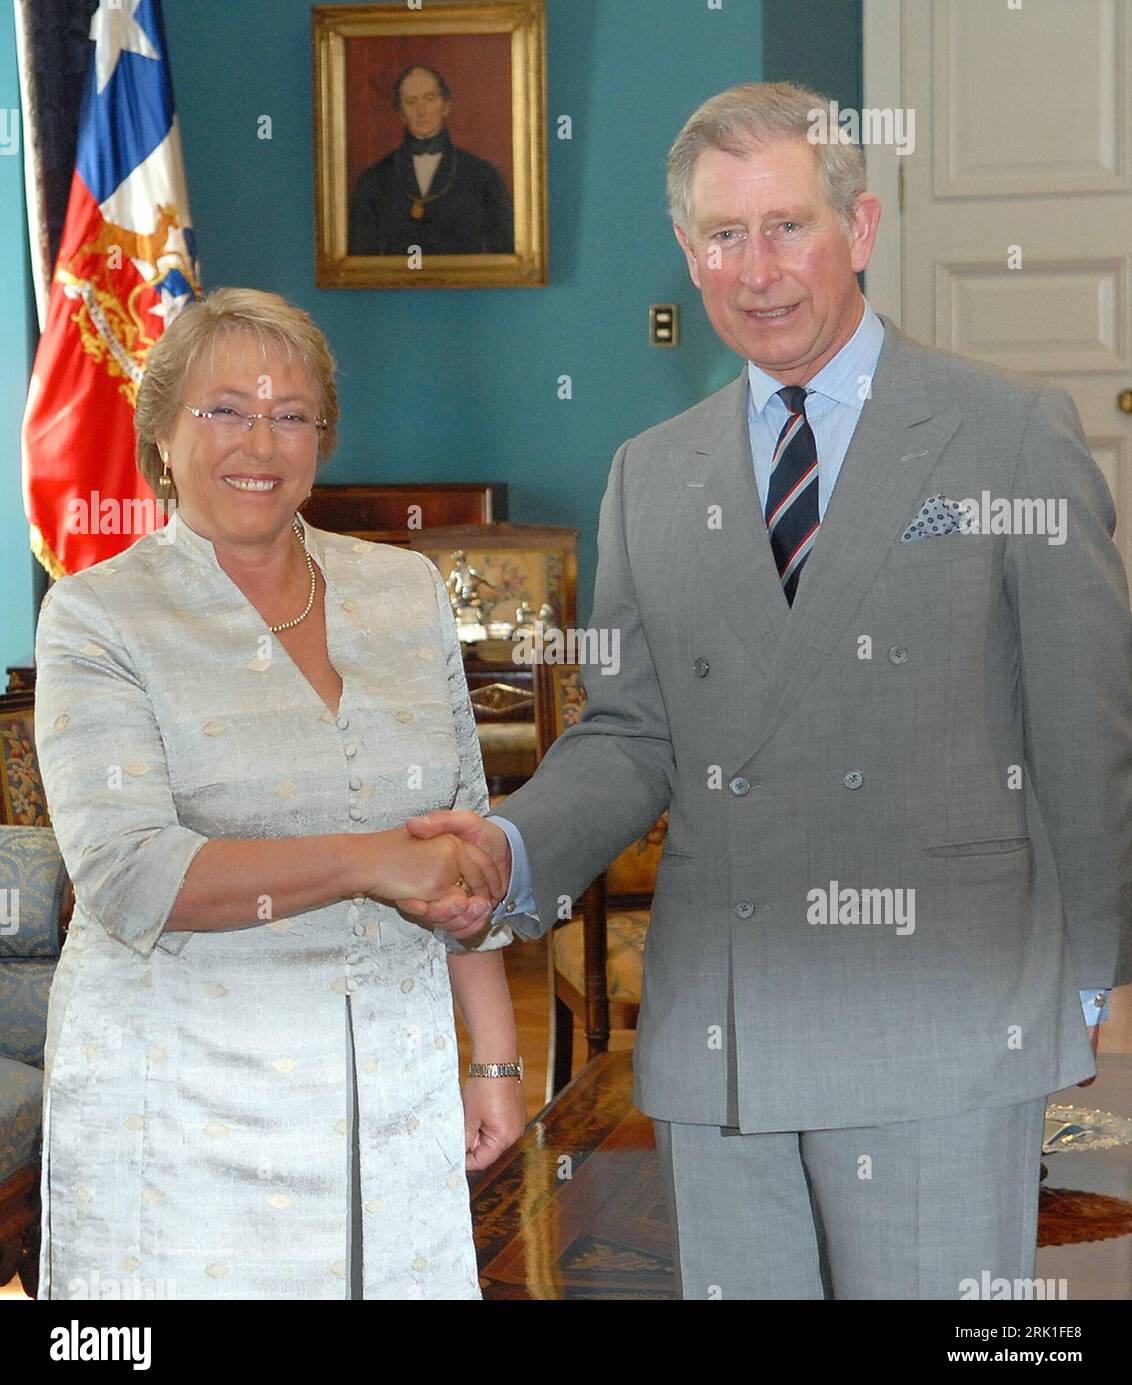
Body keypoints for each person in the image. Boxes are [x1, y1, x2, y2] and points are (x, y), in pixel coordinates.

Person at [405, 82, 1132, 1299]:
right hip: (724, 1024)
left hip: (942, 1011)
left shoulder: (1007, 432)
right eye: (724, 236)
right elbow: (629, 735)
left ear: (861, 228)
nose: (757, 270)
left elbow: (1084, 721)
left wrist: (1093, 971)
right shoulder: (649, 473)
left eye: (787, 226)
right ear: (688, 252)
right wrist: (510, 848)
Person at [33, 287, 525, 1300]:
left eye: (291, 414)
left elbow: (465, 835)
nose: (260, 443)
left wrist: (496, 1058)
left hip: (394, 1082)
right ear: (161, 432)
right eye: (225, 409)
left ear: (322, 439)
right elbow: (132, 877)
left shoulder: (405, 591)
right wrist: (374, 860)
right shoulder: (96, 617)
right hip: (182, 1100)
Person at [348, 64, 514, 256]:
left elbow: (505, 253)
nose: (421, 110)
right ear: (400, 113)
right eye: (411, 102)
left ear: (446, 106)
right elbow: (360, 258)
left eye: (429, 98)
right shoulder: (373, 180)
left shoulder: (483, 176)